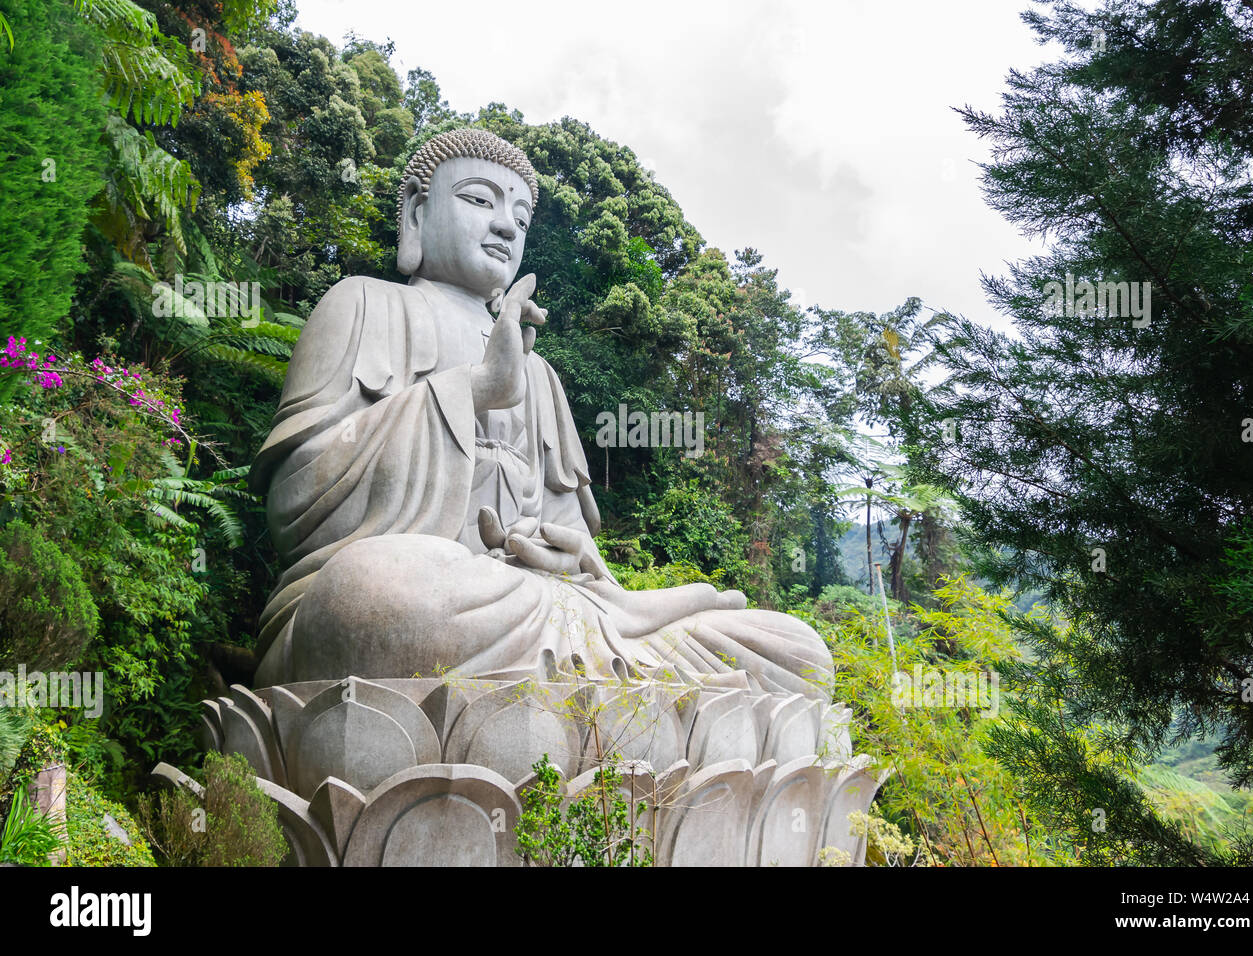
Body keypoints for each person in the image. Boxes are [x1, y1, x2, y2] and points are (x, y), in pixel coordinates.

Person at [248, 128, 831, 700]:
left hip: (547, 606)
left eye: (522, 219)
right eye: (479, 200)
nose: (505, 225)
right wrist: (473, 389)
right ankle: (624, 692)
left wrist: (569, 556)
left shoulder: (540, 374)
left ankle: (606, 670)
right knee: (369, 599)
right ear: (417, 213)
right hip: (414, 597)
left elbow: (572, 548)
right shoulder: (364, 303)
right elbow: (297, 502)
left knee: (795, 652)